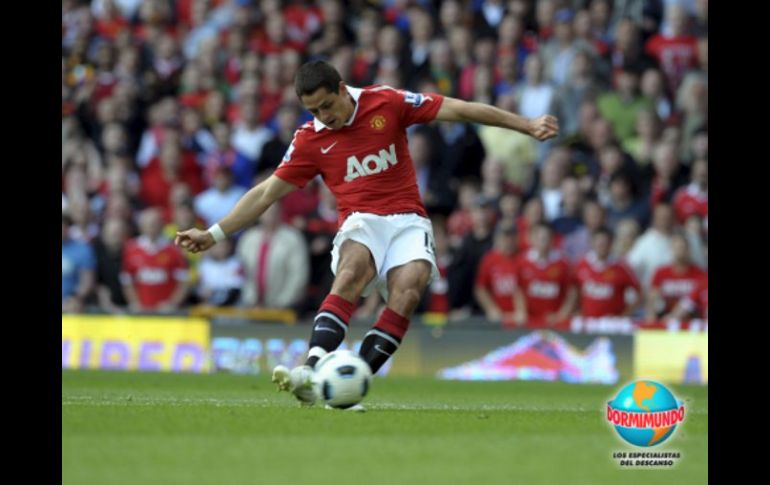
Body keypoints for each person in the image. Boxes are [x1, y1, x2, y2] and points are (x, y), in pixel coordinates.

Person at [175, 60, 558, 406]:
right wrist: (215, 234)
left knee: (409, 290)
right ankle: (311, 368)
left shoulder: (386, 102)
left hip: (408, 219)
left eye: (327, 105)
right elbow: (266, 192)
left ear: (342, 89)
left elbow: (456, 108)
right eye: (314, 110)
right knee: (352, 269)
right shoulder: (310, 138)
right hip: (360, 218)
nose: (324, 116)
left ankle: (350, 379)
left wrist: (524, 124)